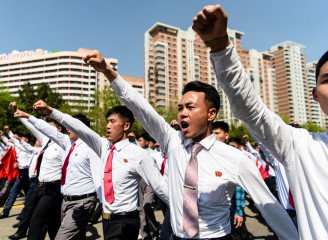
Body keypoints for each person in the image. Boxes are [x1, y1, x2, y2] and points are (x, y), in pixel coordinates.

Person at [78, 49, 298, 239]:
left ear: (211, 113)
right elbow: (140, 108)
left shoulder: (235, 159)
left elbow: (270, 208)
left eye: (190, 108)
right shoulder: (173, 142)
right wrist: (109, 72)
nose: (182, 113)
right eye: (180, 107)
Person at [192, 4, 328, 238]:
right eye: (327, 79)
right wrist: (219, 48)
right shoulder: (302, 147)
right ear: (315, 94)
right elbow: (251, 110)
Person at [32, 101, 168, 240]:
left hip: (126, 221)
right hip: (107, 219)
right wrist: (51, 111)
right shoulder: (103, 146)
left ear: (126, 126)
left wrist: (183, 211)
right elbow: (79, 127)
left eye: (113, 121)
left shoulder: (139, 154)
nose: (108, 126)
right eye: (107, 121)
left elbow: (159, 186)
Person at [19, 104, 102, 240]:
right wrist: (29, 117)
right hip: (66, 201)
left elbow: (98, 175)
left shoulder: (91, 146)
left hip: (82, 202)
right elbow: (49, 130)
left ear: (81, 128)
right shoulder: (68, 143)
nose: (67, 128)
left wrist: (104, 203)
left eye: (71, 126)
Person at [9, 108, 65, 240]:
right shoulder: (47, 142)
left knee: (36, 223)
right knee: (54, 223)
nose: (45, 129)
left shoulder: (64, 144)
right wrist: (21, 115)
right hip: (40, 187)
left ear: (59, 129)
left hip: (53, 189)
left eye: (49, 127)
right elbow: (33, 127)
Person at [212, 122, 249, 240]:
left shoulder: (231, 155)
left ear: (226, 135)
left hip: (230, 204)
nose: (214, 136)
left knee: (234, 233)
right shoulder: (208, 152)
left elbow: (239, 186)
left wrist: (239, 211)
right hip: (212, 205)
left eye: (217, 133)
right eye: (212, 133)